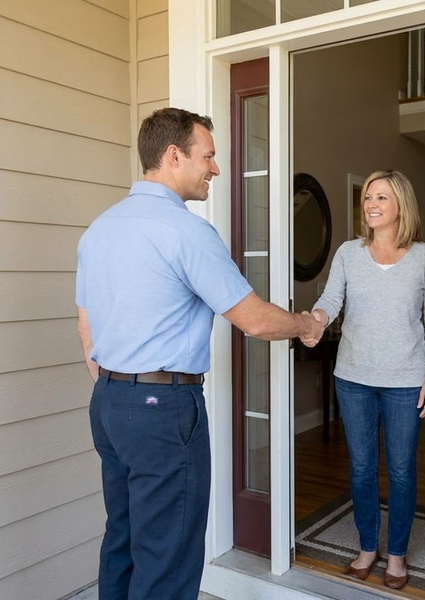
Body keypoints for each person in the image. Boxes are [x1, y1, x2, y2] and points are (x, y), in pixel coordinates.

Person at [76, 107, 324, 600]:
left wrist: (118, 389)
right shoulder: (186, 232)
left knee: (123, 537)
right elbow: (252, 318)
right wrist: (305, 324)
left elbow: (86, 323)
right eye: (208, 156)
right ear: (173, 156)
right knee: (167, 555)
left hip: (109, 403)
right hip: (163, 411)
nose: (215, 168)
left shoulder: (99, 229)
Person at [301, 170, 425, 590]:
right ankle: (368, 547)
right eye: (367, 197)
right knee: (362, 469)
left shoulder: (424, 257)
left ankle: (396, 554)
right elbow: (331, 298)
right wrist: (316, 318)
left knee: (401, 471)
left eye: (381, 196)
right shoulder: (348, 253)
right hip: (353, 377)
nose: (371, 204)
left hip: (405, 379)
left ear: (401, 204)